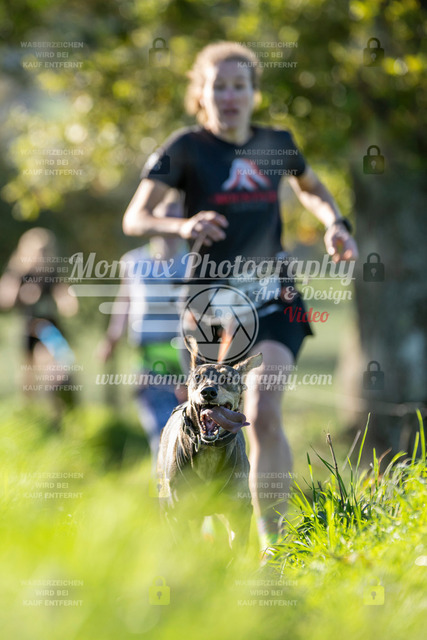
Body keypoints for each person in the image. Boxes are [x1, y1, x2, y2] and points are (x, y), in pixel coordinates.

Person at [122, 42, 358, 551]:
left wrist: (335, 223)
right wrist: (183, 224)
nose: (229, 96)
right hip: (209, 303)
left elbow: (311, 187)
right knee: (206, 418)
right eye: (219, 86)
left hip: (273, 296)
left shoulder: (277, 143)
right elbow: (135, 217)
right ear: (202, 95)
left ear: (253, 93)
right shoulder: (186, 148)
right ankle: (203, 536)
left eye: (239, 86)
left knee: (261, 410)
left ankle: (275, 548)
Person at [98, 192, 187, 465]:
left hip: (188, 359)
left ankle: (194, 486)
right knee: (160, 433)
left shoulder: (195, 260)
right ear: (152, 221)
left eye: (177, 217)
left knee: (189, 434)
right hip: (149, 359)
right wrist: (112, 339)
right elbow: (124, 301)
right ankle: (164, 487)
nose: (170, 225)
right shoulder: (133, 261)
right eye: (164, 217)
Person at [0, 228, 78, 411]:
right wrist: (20, 294)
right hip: (28, 330)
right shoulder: (19, 273)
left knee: (53, 368)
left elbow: (64, 294)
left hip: (48, 330)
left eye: (44, 252)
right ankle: (29, 413)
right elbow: (5, 298)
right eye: (37, 252)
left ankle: (58, 409)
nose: (41, 257)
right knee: (28, 378)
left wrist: (68, 302)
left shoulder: (51, 275)